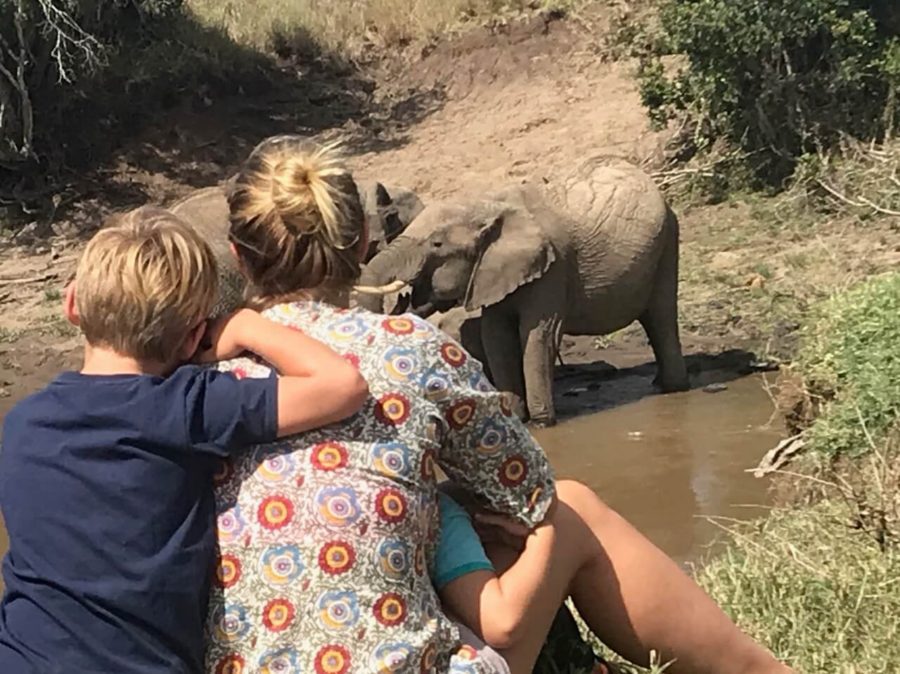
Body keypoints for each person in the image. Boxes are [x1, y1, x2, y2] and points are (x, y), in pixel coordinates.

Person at [203, 135, 791, 674]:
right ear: (361, 242)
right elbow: (529, 494)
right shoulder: (414, 350)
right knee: (570, 509)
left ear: (237, 255)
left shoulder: (191, 387)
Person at [0, 208, 369, 673]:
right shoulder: (186, 406)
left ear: (71, 304)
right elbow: (342, 386)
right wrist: (246, 326)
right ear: (194, 336)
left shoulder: (20, 424)